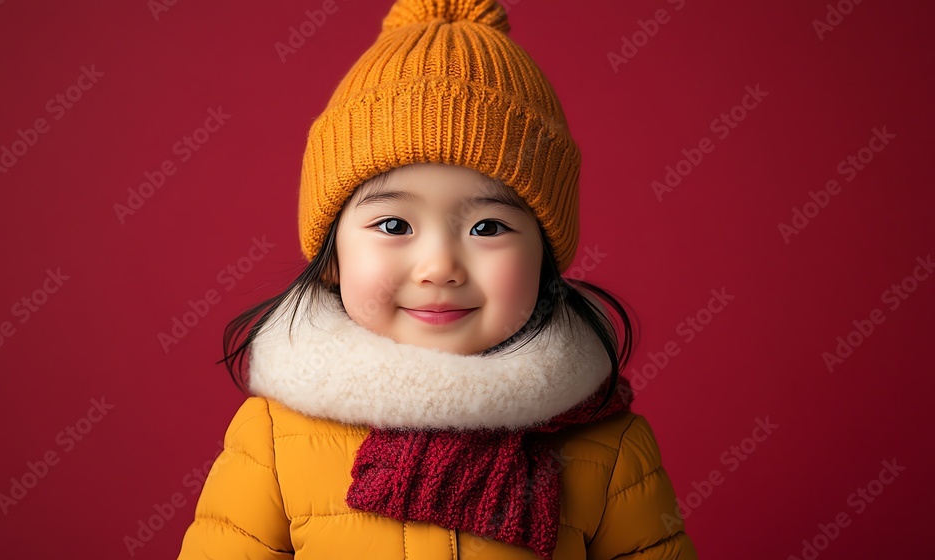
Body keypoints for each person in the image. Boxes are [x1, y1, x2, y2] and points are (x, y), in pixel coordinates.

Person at [177, 0, 698, 558]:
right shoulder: (274, 440)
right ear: (332, 257)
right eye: (395, 224)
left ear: (544, 258)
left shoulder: (608, 446)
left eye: (489, 226)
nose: (440, 267)